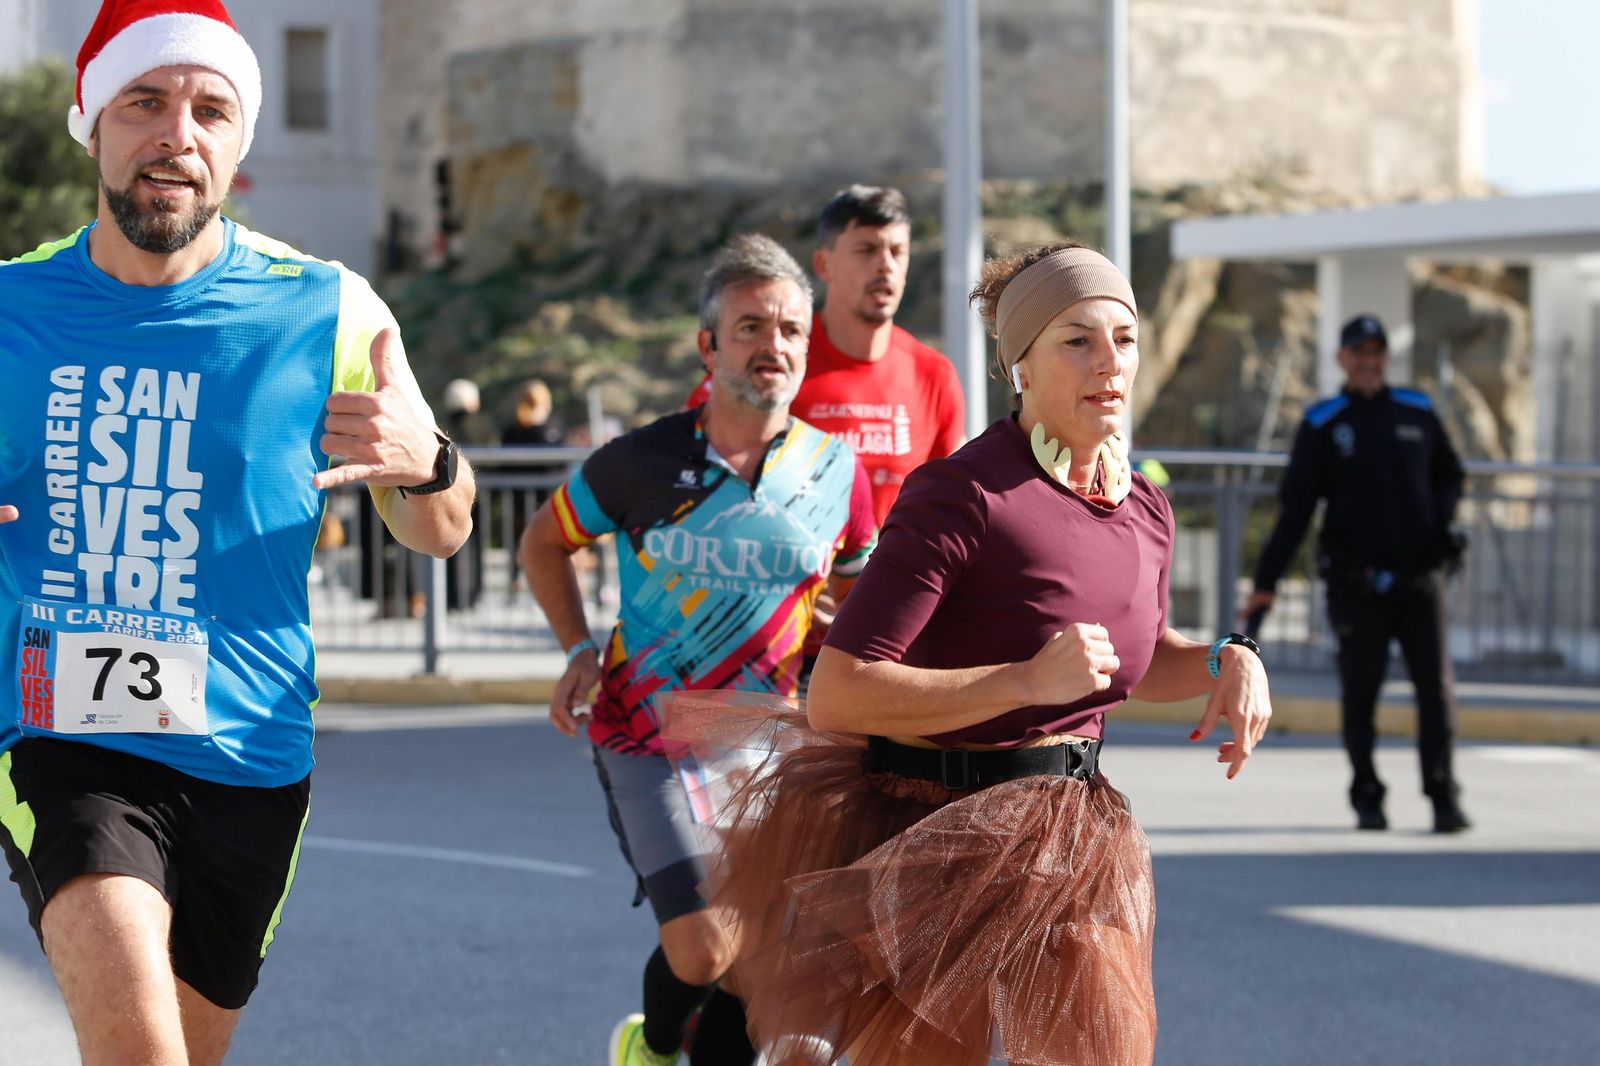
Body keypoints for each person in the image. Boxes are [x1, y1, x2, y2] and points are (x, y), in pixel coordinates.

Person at [0, 3, 475, 1064]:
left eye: (210, 110)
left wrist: (429, 462)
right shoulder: (9, 310)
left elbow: (443, 531)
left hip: (251, 754)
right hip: (58, 740)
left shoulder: (328, 310)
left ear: (237, 141)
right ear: (92, 124)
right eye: (144, 102)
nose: (178, 135)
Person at [662, 241, 1273, 1066]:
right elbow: (839, 691)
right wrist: (1024, 682)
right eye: (1077, 340)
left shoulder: (1144, 507)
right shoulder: (964, 493)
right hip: (937, 830)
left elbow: (1131, 658)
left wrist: (1225, 658)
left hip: (1073, 831)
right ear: (1021, 364)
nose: (1109, 361)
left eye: (1124, 338)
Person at [520, 234, 876, 1066]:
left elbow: (857, 592)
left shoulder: (837, 473)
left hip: (764, 740)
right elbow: (543, 541)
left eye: (791, 329)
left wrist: (845, 652)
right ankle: (646, 1048)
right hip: (648, 732)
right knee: (704, 948)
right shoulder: (640, 462)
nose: (774, 345)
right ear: (709, 346)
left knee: (753, 971)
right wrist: (576, 647)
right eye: (751, 327)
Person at [1243, 313, 1469, 833]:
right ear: (1342, 359)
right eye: (1359, 353)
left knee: (1436, 691)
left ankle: (1443, 796)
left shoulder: (1417, 410)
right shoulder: (1324, 423)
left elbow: (1451, 475)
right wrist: (1266, 583)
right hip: (1357, 583)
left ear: (1385, 358)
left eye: (1376, 353)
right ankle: (1368, 794)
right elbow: (1296, 511)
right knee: (1361, 693)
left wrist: (1439, 522)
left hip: (1421, 578)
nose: (1369, 362)